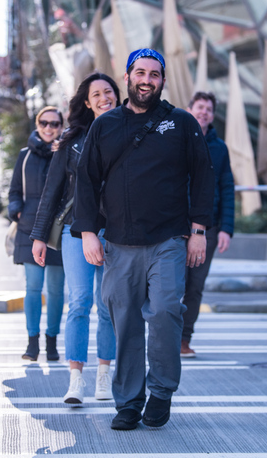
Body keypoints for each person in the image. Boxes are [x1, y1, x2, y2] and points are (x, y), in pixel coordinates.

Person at [73, 49, 214, 430]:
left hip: (169, 239)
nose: (147, 79)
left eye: (154, 73)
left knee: (167, 311)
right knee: (125, 323)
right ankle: (129, 402)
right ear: (127, 76)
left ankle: (162, 391)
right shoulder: (105, 125)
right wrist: (88, 232)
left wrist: (199, 231)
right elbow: (86, 180)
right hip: (118, 242)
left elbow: (203, 177)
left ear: (163, 80)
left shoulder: (181, 123)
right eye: (140, 72)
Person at [31, 73, 120, 405]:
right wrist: (39, 237)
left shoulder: (130, 132)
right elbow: (53, 189)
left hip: (116, 233)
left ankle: (103, 377)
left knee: (108, 305)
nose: (103, 98)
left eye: (108, 92)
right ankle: (75, 380)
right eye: (96, 94)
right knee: (79, 303)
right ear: (87, 102)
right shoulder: (72, 140)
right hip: (74, 230)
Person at [8, 107, 66, 362]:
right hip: (29, 229)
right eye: (44, 123)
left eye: (54, 123)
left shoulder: (66, 153)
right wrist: (16, 211)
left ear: (61, 126)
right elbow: (13, 191)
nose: (49, 127)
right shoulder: (25, 156)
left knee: (55, 290)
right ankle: (32, 343)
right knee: (32, 288)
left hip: (59, 230)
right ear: (37, 123)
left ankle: (51, 342)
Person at [180, 91, 235, 359]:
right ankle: (165, 336)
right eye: (200, 107)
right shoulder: (177, 140)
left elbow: (227, 187)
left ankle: (184, 339)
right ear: (189, 109)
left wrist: (227, 228)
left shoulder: (219, 148)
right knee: (172, 284)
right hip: (176, 226)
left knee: (195, 286)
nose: (204, 112)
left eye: (209, 109)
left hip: (209, 229)